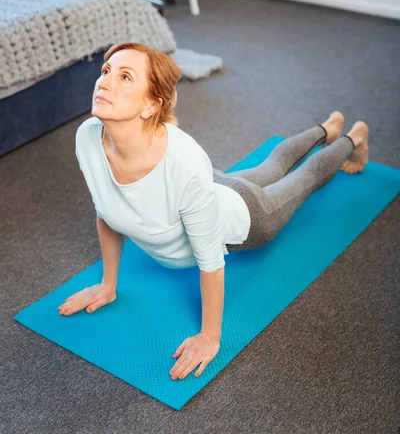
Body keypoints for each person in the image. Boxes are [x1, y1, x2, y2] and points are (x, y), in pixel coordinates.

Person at [58, 42, 369, 381]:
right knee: (271, 165)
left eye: (125, 76)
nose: (104, 82)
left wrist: (209, 337)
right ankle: (327, 129)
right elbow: (107, 211)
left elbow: (211, 262)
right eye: (105, 71)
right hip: (207, 189)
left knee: (301, 179)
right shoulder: (88, 138)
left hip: (247, 213)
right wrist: (107, 284)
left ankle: (354, 138)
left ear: (150, 105)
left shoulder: (184, 166)